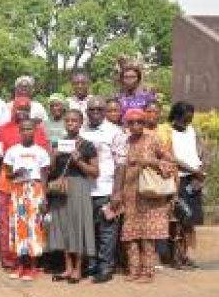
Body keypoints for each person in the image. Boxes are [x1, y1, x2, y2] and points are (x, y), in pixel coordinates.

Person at [119, 108, 174, 283]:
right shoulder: (124, 142)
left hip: (149, 195)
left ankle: (148, 272)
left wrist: (150, 161)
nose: (136, 125)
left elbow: (170, 162)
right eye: (131, 122)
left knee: (147, 235)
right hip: (129, 194)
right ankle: (134, 270)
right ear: (126, 125)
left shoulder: (153, 140)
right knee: (130, 234)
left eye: (139, 122)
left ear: (144, 123)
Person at [0, 97, 50, 269]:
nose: (22, 111)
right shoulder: (3, 130)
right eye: (19, 108)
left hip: (32, 187)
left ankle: (31, 260)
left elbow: (44, 163)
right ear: (13, 110)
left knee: (32, 223)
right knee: (9, 223)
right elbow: (0, 158)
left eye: (26, 108)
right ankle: (10, 260)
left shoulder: (39, 131)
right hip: (9, 184)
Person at [79, 96, 127, 283]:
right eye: (92, 110)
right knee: (88, 231)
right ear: (87, 112)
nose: (96, 113)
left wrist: (117, 192)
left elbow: (121, 164)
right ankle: (92, 266)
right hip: (84, 190)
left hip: (106, 189)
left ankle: (106, 267)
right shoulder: (82, 130)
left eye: (99, 109)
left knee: (107, 231)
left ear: (105, 111)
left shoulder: (114, 132)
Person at [47, 110, 98, 284]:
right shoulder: (59, 143)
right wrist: (53, 158)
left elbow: (95, 172)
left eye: (74, 120)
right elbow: (52, 170)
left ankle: (78, 268)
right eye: (67, 120)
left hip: (79, 187)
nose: (70, 123)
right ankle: (67, 268)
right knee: (64, 227)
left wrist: (79, 161)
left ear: (81, 123)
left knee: (78, 226)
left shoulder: (87, 145)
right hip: (61, 188)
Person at [166, 101, 206, 269]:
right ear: (176, 116)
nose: (187, 122)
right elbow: (172, 157)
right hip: (179, 179)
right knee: (178, 219)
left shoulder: (192, 130)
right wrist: (193, 171)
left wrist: (200, 172)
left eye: (190, 118)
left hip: (195, 180)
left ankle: (187, 254)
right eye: (185, 118)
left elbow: (203, 152)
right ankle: (175, 256)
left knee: (191, 220)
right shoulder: (168, 132)